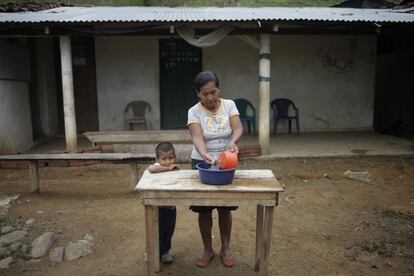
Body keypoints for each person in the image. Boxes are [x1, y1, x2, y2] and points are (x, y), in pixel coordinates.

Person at [187, 71, 243, 268]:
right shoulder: (193, 111)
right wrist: (204, 154)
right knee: (204, 208)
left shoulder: (229, 105)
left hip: (226, 161)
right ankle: (207, 249)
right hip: (202, 162)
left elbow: (237, 128)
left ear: (219, 89)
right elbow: (197, 137)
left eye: (213, 92)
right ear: (198, 94)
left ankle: (226, 248)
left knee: (225, 208)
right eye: (204, 94)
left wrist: (233, 142)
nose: (210, 97)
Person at [148, 142, 180, 263]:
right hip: (158, 208)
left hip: (171, 207)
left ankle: (165, 252)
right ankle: (154, 252)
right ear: (157, 159)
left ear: (175, 157)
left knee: (169, 231)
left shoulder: (174, 168)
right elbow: (151, 168)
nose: (168, 162)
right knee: (157, 231)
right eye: (164, 159)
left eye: (171, 158)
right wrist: (167, 168)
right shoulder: (157, 166)